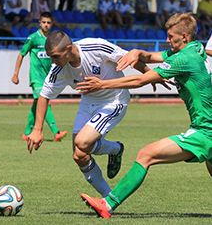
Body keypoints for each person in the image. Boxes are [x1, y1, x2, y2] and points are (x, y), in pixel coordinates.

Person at [77, 13, 212, 218]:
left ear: (184, 36)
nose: (167, 41)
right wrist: (137, 52)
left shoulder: (185, 58)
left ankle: (108, 204)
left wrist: (102, 84)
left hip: (205, 132)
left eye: (170, 36)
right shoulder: (195, 48)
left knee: (146, 154)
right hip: (206, 128)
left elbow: (141, 81)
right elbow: (152, 57)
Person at [26, 31, 152, 197]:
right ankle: (108, 197)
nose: (53, 61)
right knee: (79, 155)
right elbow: (44, 96)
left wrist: (152, 75)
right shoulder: (58, 68)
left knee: (82, 142)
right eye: (51, 57)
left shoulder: (95, 47)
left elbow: (129, 58)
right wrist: (37, 129)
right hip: (88, 102)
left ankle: (114, 150)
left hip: (114, 100)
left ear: (69, 49)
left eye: (56, 56)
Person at [11, 12, 67, 142]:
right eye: (44, 22)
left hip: (48, 77)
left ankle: (26, 133)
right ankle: (56, 132)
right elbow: (21, 54)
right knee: (45, 102)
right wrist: (15, 74)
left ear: (52, 24)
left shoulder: (52, 40)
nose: (46, 25)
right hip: (36, 77)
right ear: (39, 23)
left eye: (48, 23)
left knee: (37, 104)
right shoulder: (33, 38)